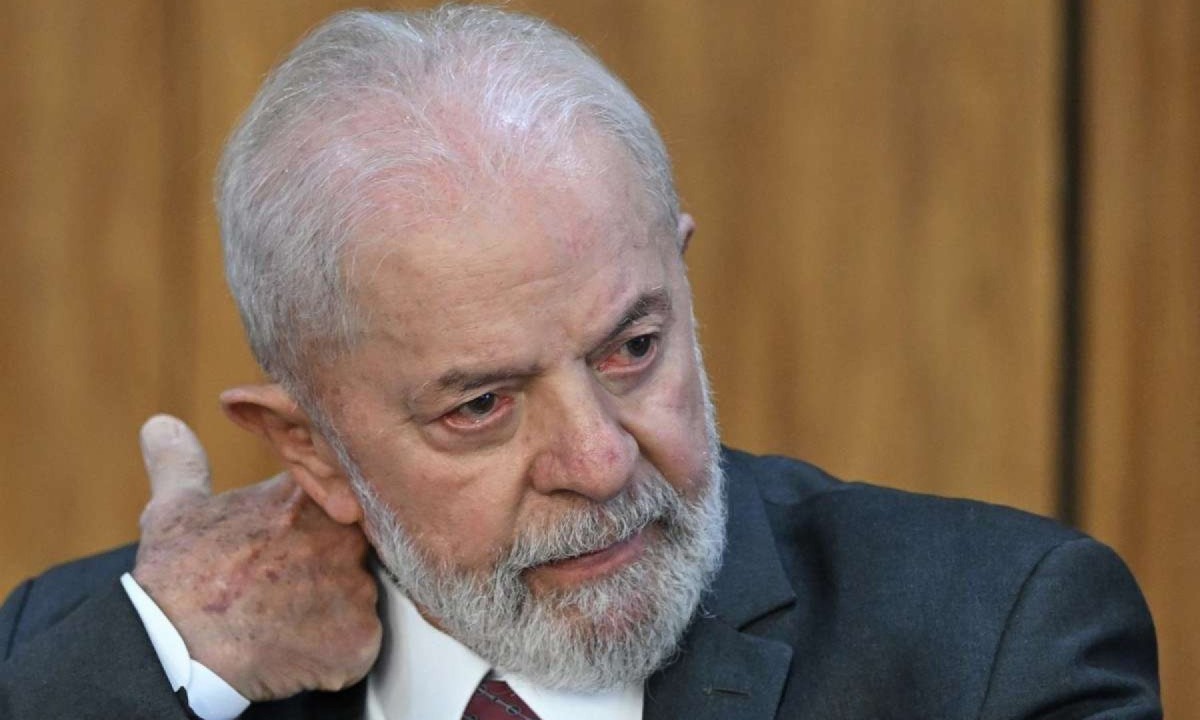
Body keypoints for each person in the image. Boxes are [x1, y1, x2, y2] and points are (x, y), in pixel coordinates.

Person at [0, 5, 1160, 719]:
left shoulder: (995, 647)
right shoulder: (115, 657)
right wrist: (172, 666)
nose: (601, 462)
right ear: (312, 447)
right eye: (483, 406)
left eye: (634, 349)